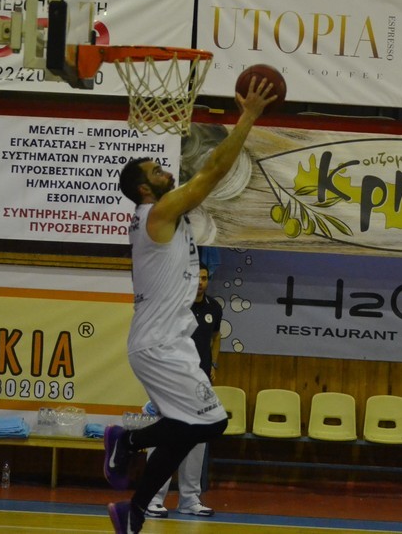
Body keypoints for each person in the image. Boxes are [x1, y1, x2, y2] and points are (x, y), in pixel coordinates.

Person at [104, 76, 277, 534]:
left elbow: (210, 174)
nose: (166, 172)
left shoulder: (167, 213)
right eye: (157, 171)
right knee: (209, 425)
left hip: (171, 341)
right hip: (159, 344)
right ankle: (128, 441)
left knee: (188, 428)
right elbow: (214, 170)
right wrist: (249, 116)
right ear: (145, 190)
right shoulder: (156, 214)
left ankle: (134, 509)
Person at [145, 265, 223, 518]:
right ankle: (152, 497)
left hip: (200, 387)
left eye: (204, 278)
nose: (200, 283)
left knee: (197, 442)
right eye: (195, 278)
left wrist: (213, 364)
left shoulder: (214, 308)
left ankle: (189, 499)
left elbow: (216, 336)